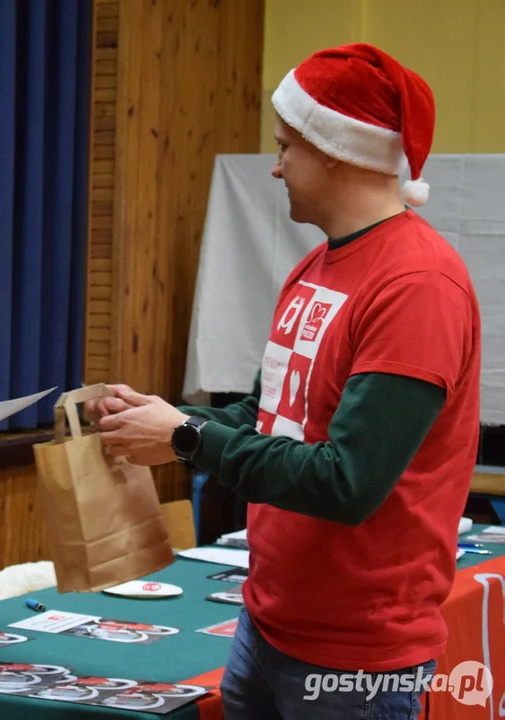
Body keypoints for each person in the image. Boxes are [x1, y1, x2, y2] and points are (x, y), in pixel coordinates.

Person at [87, 44, 481, 719]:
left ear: (335, 149)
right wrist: (164, 416)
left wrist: (187, 438)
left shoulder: (416, 283)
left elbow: (346, 481)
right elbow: (274, 414)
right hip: (267, 625)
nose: (274, 167)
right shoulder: (317, 268)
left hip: (356, 651)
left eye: (285, 148)